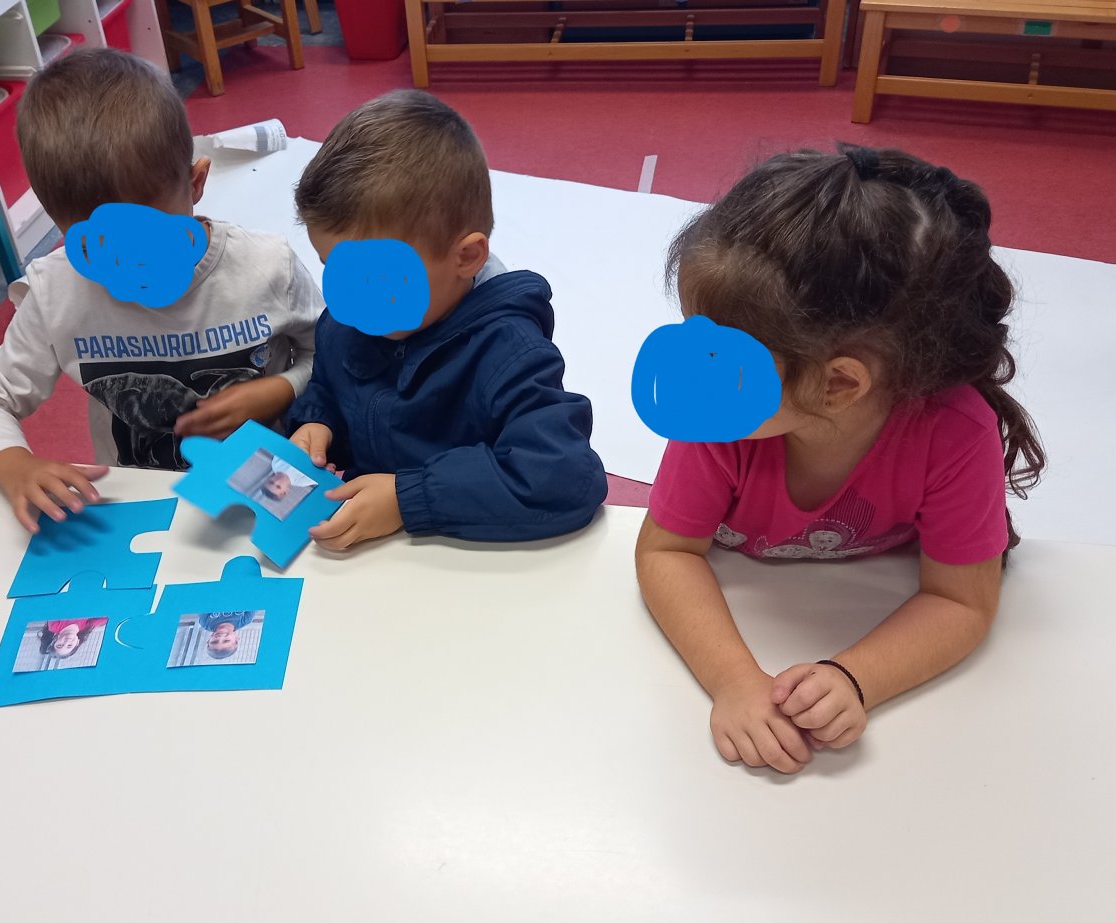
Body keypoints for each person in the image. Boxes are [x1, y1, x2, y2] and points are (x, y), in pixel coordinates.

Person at [635, 145, 1046, 775]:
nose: (694, 372)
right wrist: (734, 680)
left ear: (838, 384)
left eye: (721, 359)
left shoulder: (956, 435)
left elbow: (962, 601)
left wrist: (854, 678)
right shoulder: (719, 418)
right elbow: (666, 552)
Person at [0, 49, 321, 532]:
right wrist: (14, 463)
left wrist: (280, 388)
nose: (134, 266)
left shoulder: (267, 265)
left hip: (270, 491)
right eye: (101, 249)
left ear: (196, 183)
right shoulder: (56, 290)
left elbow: (333, 357)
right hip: (139, 503)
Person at [285, 90, 607, 549]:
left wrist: (407, 499)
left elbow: (565, 478)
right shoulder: (347, 321)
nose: (349, 300)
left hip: (456, 551)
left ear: (467, 257)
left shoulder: (509, 351)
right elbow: (329, 385)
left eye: (373, 280)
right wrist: (318, 421)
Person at [39, 617, 106, 661]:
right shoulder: (87, 626)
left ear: (55, 639)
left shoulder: (54, 626)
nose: (67, 642)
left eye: (60, 645)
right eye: (69, 645)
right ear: (77, 642)